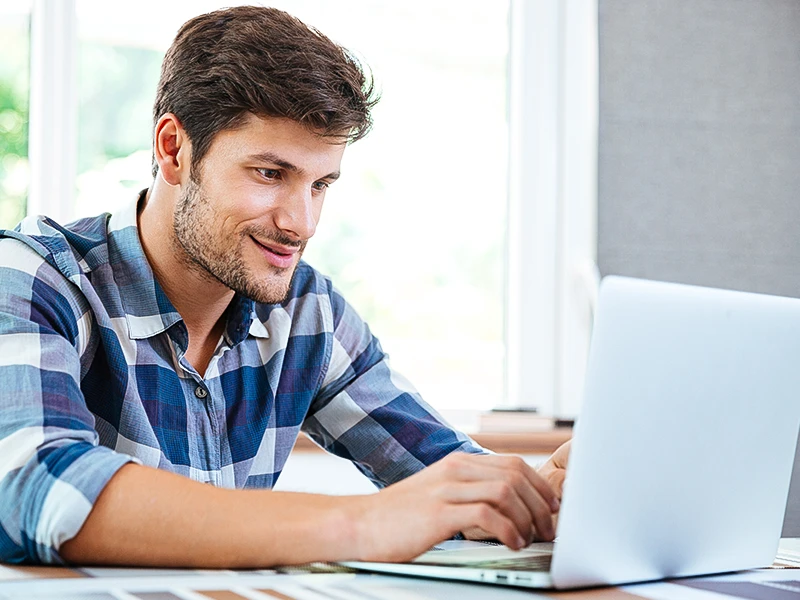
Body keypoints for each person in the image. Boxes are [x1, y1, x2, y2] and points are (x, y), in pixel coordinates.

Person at [0, 6, 569, 567]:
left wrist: (542, 497)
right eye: (271, 174)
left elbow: (443, 483)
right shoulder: (35, 279)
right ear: (173, 150)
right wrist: (361, 523)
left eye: (321, 184)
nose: (301, 223)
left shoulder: (305, 311)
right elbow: (41, 483)